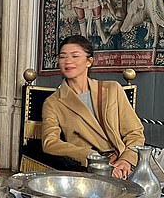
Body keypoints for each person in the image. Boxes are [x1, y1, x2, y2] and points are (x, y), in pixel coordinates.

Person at [42, 35, 145, 179]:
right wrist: (91, 156)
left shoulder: (112, 89)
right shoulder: (53, 103)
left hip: (126, 159)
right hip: (92, 167)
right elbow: (50, 143)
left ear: (89, 61)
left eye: (75, 56)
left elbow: (134, 132)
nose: (68, 61)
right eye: (63, 56)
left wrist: (126, 160)